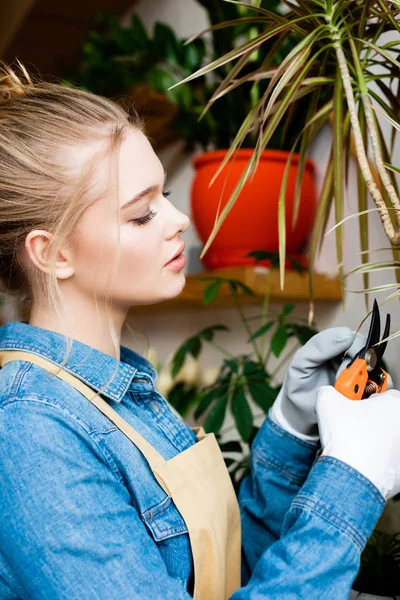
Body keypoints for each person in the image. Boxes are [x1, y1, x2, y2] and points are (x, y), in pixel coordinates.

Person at [0, 61, 400, 600]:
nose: (178, 219)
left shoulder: (118, 393)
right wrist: (352, 481)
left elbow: (222, 577)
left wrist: (290, 429)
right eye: (141, 214)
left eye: (162, 195)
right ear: (53, 253)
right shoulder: (30, 432)